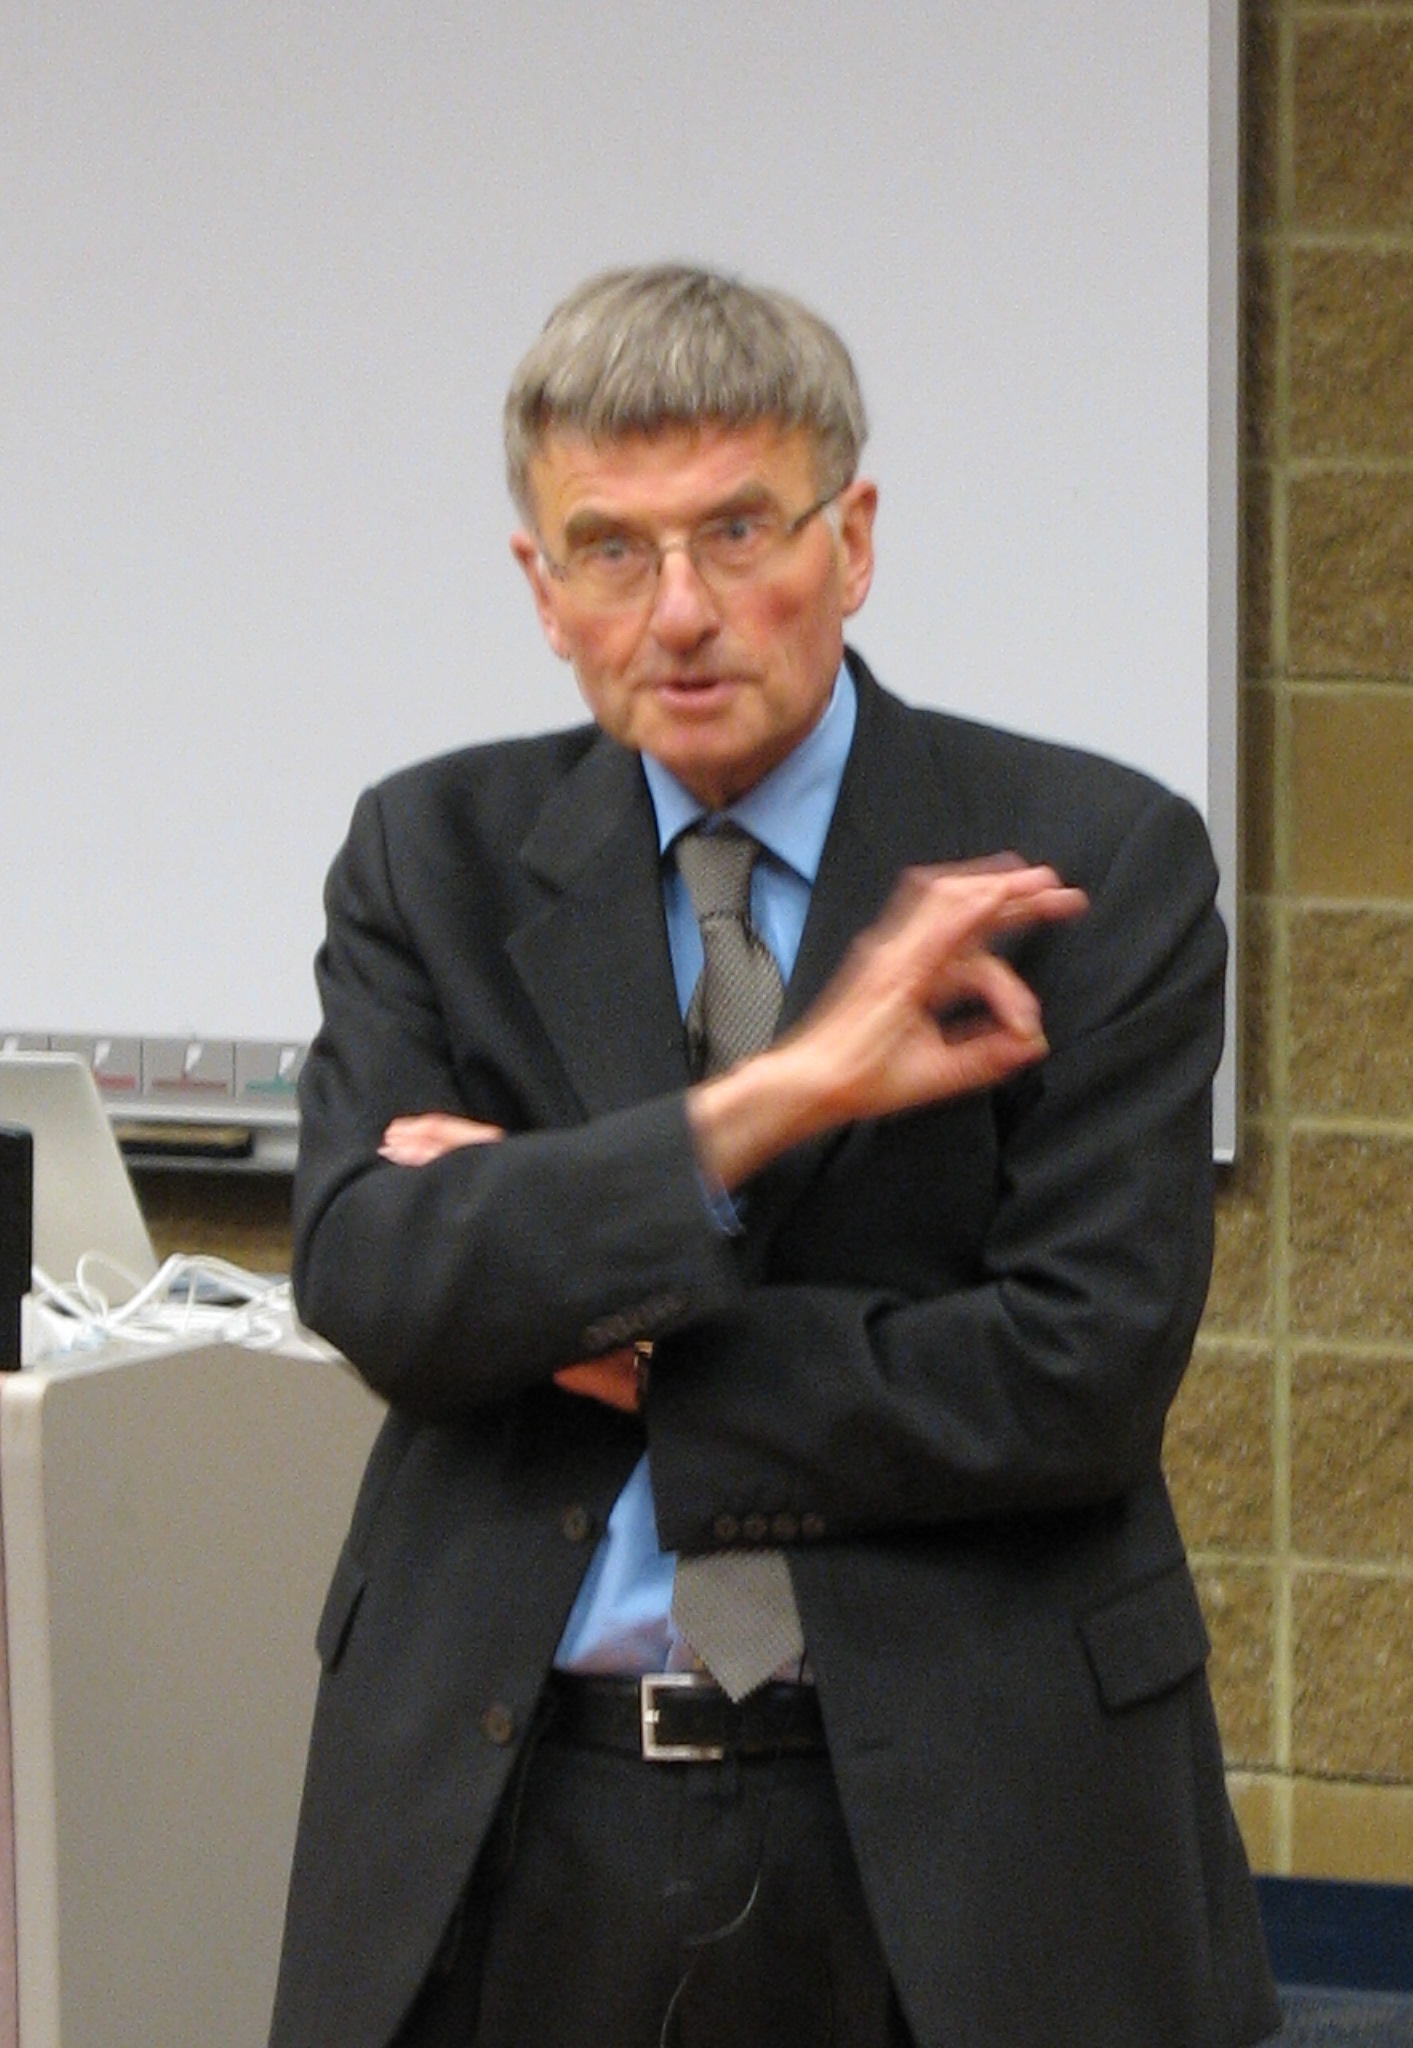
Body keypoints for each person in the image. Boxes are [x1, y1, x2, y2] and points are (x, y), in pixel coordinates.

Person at [269, 264, 1281, 2048]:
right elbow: (377, 1280)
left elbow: (1076, 1375)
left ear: (853, 540)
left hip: (964, 1823)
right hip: (516, 1802)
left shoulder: (1085, 863)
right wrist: (785, 1093)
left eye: (738, 532)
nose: (680, 613)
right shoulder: (433, 855)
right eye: (610, 549)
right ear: (541, 589)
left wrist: (602, 1307)